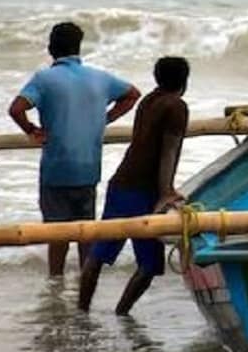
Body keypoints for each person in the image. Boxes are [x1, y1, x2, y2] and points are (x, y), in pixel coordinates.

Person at [9, 22, 140, 278]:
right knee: (85, 233)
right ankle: (85, 285)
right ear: (79, 48)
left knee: (56, 235)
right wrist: (105, 118)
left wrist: (31, 130)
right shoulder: (100, 77)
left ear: (50, 48)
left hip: (57, 168)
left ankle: (56, 283)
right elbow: (133, 94)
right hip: (88, 168)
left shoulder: (44, 78)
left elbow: (16, 109)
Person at [79, 57, 190, 315]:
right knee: (150, 264)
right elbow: (169, 150)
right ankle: (121, 313)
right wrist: (166, 192)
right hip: (143, 190)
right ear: (185, 80)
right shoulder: (177, 106)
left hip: (121, 184)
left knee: (99, 253)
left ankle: (82, 311)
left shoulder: (149, 100)